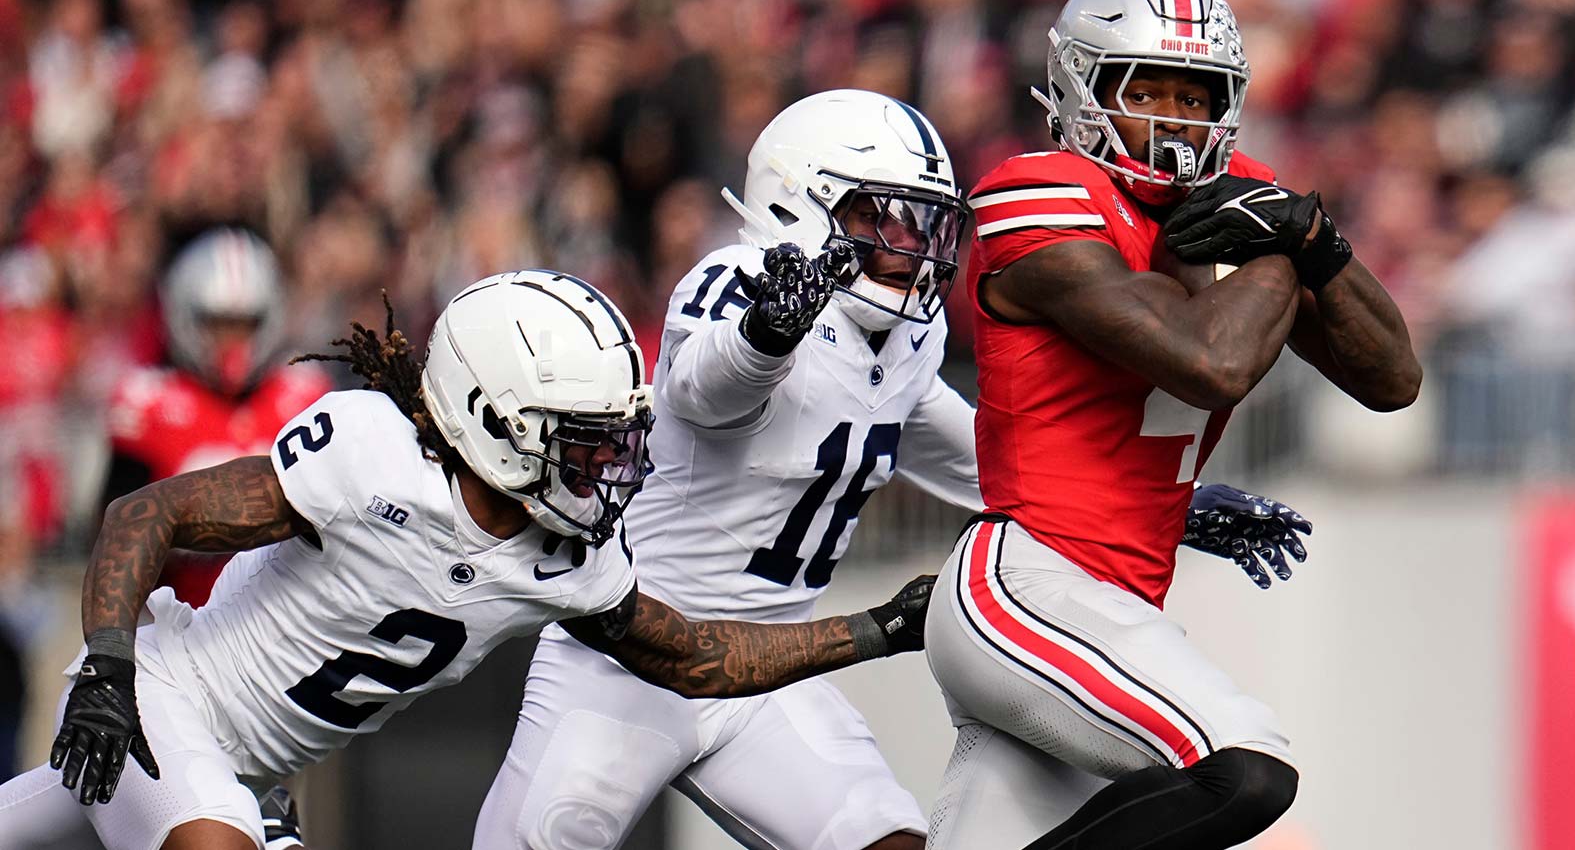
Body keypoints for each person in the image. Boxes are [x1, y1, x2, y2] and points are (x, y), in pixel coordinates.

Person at [472, 89, 1309, 850]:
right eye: (885, 219)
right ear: (800, 203)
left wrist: (1172, 504)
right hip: (628, 657)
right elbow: (698, 390)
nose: (912, 248)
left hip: (774, 671)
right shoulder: (739, 281)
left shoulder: (906, 337)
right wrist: (768, 334)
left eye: (925, 225)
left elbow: (988, 460)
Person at [0, 270, 935, 850]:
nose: (607, 471)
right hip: (163, 694)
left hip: (244, 767)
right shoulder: (369, 456)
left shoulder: (569, 557)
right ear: (498, 423)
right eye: (584, 443)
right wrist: (110, 669)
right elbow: (148, 511)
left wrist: (881, 629)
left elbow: (696, 658)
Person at [921, 0, 1422, 850]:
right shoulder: (1039, 192)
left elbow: (1392, 379)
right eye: (1145, 91)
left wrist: (1318, 241)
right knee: (1244, 764)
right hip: (1026, 583)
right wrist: (1279, 249)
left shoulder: (1244, 205)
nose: (1174, 120)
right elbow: (1209, 363)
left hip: (1116, 607)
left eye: (1195, 97)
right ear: (1082, 87)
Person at [103, 228, 330, 606]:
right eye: (219, 324)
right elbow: (114, 538)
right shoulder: (148, 402)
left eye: (244, 324)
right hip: (180, 619)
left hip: (286, 617)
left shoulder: (304, 394)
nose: (232, 341)